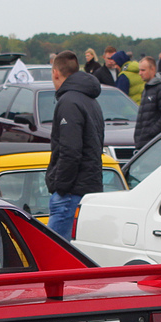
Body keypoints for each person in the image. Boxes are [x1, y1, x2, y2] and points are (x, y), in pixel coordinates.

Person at [45, 51, 103, 239]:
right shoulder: (90, 100)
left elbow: (70, 150)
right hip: (86, 188)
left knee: (54, 255)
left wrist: (61, 186)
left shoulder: (69, 102)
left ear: (55, 72)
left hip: (70, 193)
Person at [134, 57, 161, 149]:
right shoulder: (147, 88)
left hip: (155, 144)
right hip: (144, 143)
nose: (140, 73)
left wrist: (151, 132)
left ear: (152, 69)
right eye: (139, 70)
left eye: (143, 70)